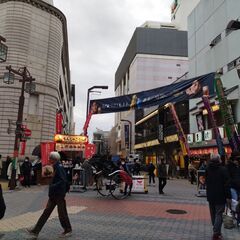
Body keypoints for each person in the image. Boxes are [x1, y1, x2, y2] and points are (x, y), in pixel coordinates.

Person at [26, 151, 72, 238]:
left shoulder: (59, 167)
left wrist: (52, 186)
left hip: (59, 194)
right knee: (46, 212)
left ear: (53, 159)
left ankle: (68, 229)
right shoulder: (54, 166)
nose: (49, 159)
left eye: (50, 158)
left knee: (62, 213)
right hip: (54, 194)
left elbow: (62, 180)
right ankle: (35, 230)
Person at [206, 154, 231, 240]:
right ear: (219, 160)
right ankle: (216, 233)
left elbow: (206, 181)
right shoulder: (223, 170)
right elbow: (227, 185)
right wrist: (228, 197)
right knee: (219, 214)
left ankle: (217, 231)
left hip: (210, 196)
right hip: (220, 196)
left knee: (213, 214)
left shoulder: (208, 169)